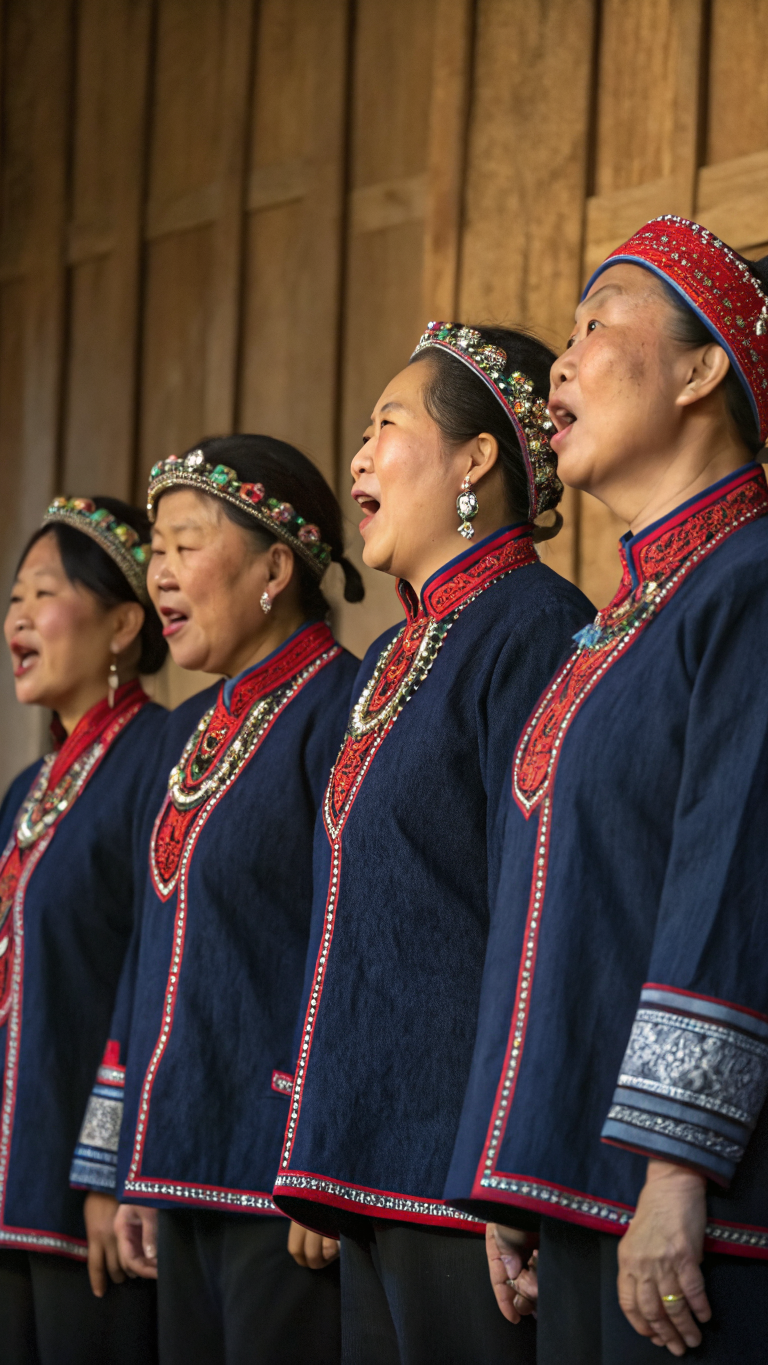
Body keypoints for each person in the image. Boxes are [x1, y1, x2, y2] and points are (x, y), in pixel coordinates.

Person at [444, 217, 768, 1363]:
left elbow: (739, 887)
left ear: (697, 373)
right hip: (591, 1197)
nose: (560, 365)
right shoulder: (612, 629)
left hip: (706, 1221)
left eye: (594, 327)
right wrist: (517, 1169)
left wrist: (676, 1170)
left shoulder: (765, 589)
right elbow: (560, 915)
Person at [272, 324, 595, 1364]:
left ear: (475, 459)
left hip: (466, 1169)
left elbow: (539, 911)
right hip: (375, 1161)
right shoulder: (388, 656)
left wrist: (510, 1163)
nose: (357, 457)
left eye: (387, 425)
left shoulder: (534, 623)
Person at [81, 435, 361, 1364]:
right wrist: (127, 1165)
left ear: (275, 568)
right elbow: (146, 955)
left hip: (282, 1180)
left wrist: (325, 1153)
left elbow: (354, 946)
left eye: (185, 545)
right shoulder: (188, 731)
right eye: (154, 550)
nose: (159, 572)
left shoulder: (340, 709)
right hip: (179, 1165)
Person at [0, 496, 168, 1365]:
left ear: (123, 623)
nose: (18, 617)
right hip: (6, 1190)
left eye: (43, 593)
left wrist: (113, 1169)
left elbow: (156, 969)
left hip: (99, 1208)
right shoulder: (24, 793)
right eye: (13, 599)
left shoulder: (161, 757)